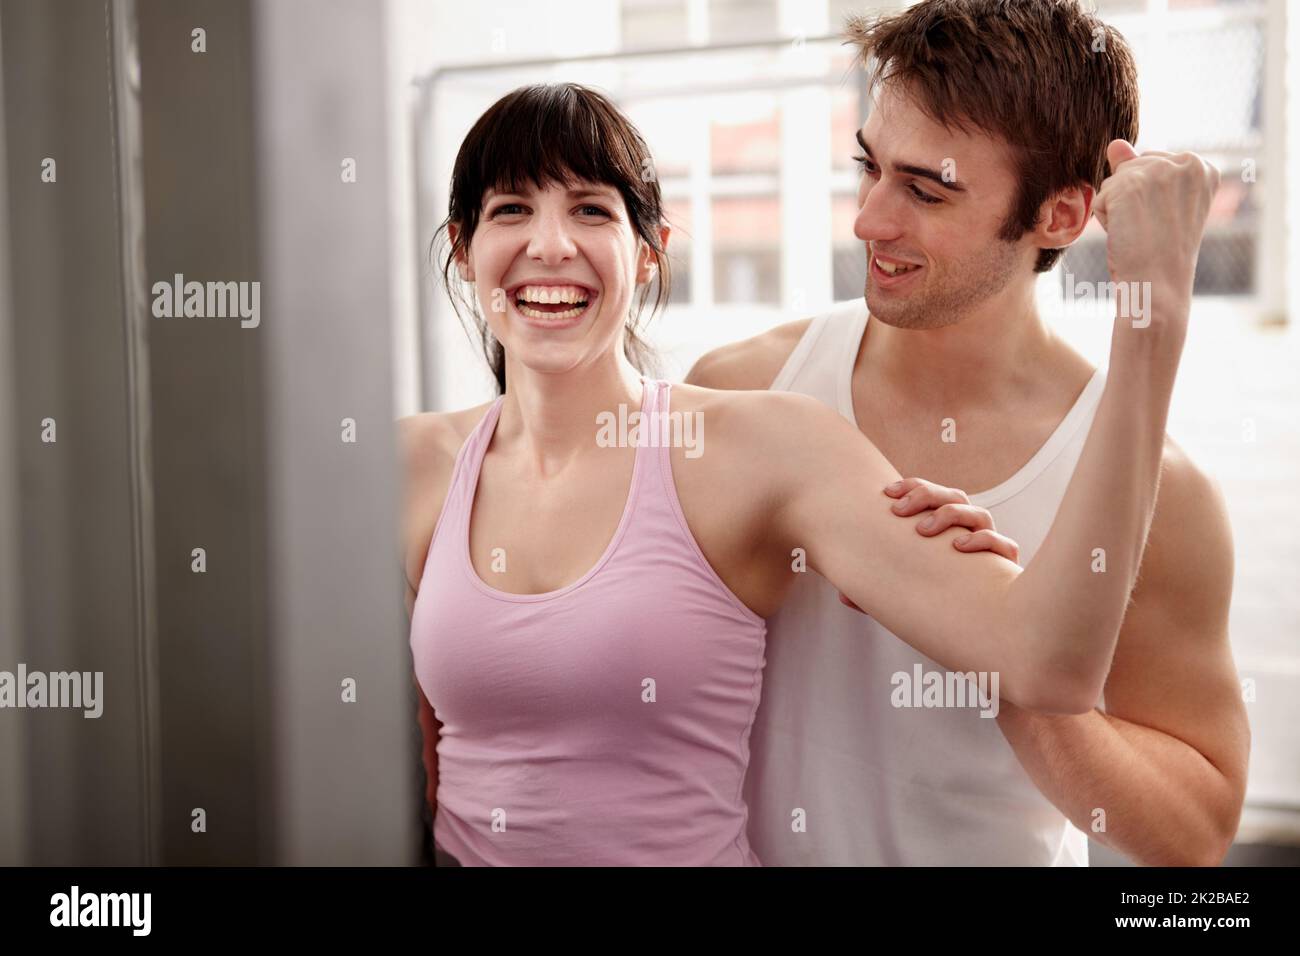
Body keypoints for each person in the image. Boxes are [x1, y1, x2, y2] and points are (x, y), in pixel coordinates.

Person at [400, 76, 1217, 865]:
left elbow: (1054, 671)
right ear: (463, 250)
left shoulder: (764, 439)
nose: (867, 221)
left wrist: (1154, 315)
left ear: (650, 253)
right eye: (511, 209)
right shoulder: (414, 468)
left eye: (590, 209)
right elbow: (427, 766)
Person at [689, 0, 1250, 866]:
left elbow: (1193, 836)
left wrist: (1007, 652)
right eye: (869, 169)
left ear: (1059, 218)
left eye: (924, 190)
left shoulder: (1156, 492)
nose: (870, 221)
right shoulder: (744, 391)